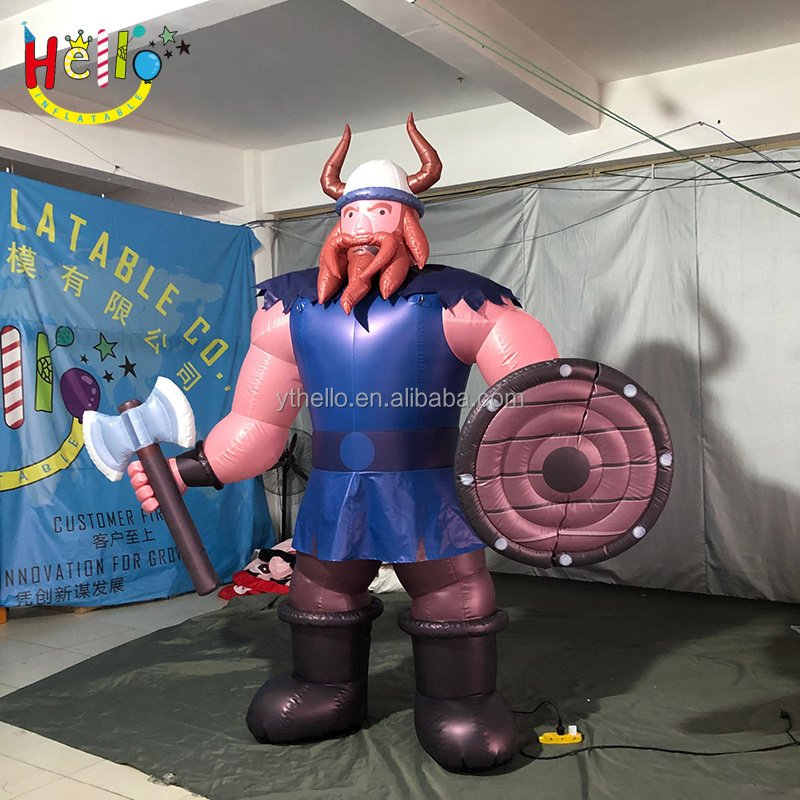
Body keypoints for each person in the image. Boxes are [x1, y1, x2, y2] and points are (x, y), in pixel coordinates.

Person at [129, 114, 558, 771]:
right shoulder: (290, 312)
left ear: (408, 222)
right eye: (352, 214)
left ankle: (461, 699)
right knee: (321, 591)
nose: (362, 228)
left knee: (452, 593)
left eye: (380, 211)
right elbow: (260, 423)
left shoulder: (463, 303)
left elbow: (535, 399)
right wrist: (190, 469)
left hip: (426, 489)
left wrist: (558, 457)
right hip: (335, 492)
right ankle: (325, 687)